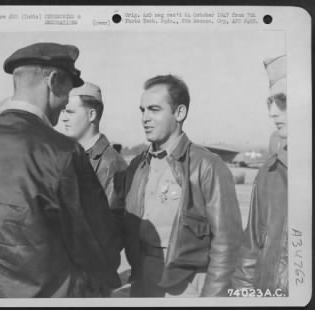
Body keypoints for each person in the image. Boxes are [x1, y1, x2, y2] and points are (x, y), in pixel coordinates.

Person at [0, 42, 121, 298]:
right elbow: (101, 251)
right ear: (52, 81)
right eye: (67, 91)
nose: (64, 105)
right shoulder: (62, 153)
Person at [120, 75, 243, 297]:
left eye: (154, 109)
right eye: (142, 110)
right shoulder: (138, 166)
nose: (145, 118)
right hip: (143, 283)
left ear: (179, 113)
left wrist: (212, 299)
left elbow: (227, 243)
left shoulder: (207, 166)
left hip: (187, 287)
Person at [232, 55, 288, 296]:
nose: (273, 113)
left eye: (283, 101)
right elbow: (250, 251)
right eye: (270, 103)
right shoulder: (270, 173)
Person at [61, 82, 128, 219]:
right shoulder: (70, 156)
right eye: (62, 111)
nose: (63, 118)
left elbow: (105, 224)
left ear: (91, 115)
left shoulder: (111, 164)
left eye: (70, 112)